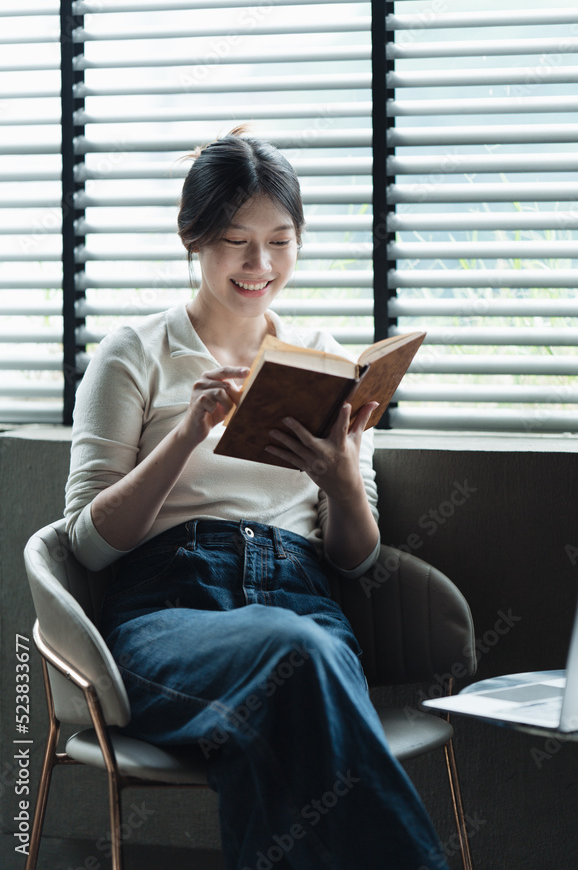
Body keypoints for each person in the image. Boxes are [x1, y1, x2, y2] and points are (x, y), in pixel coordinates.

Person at [65, 128, 450, 870]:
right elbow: (84, 544)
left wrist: (339, 477)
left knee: (267, 717)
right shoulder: (134, 353)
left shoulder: (323, 359)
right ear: (193, 238)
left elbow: (356, 558)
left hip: (302, 595)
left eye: (280, 241)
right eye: (235, 242)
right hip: (169, 609)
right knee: (294, 658)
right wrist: (185, 436)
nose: (259, 265)